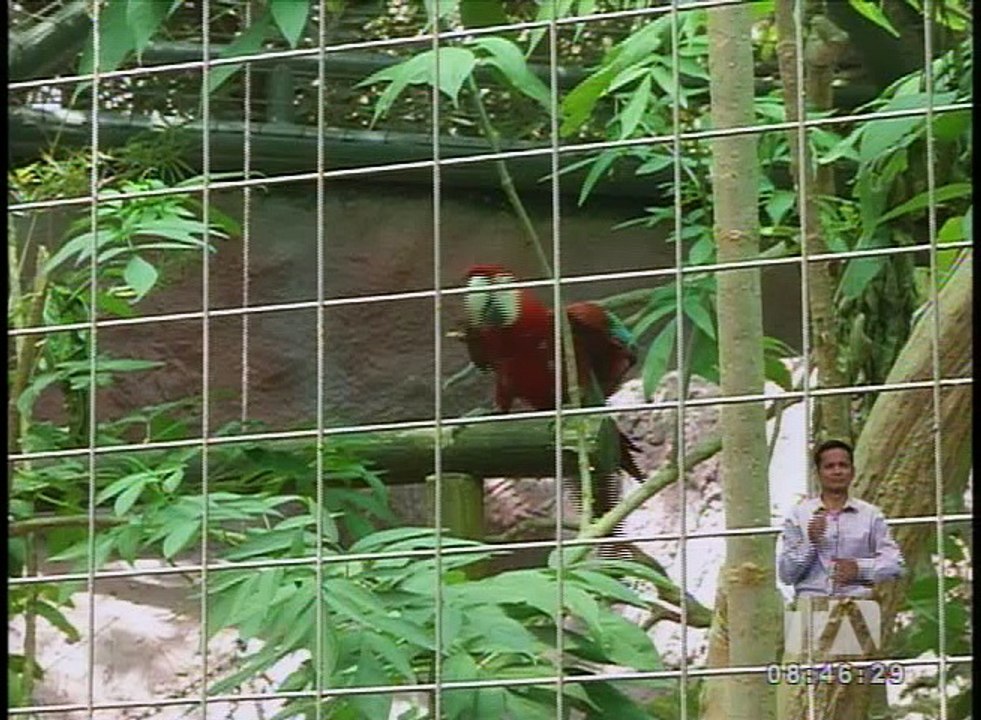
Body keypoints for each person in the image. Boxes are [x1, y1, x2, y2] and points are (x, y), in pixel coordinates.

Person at [778, 439, 905, 598]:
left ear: (853, 472)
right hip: (810, 608)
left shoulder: (871, 515)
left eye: (843, 465)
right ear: (818, 473)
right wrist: (810, 543)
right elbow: (786, 575)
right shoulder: (799, 515)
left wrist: (860, 570)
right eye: (829, 466)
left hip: (858, 606)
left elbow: (895, 565)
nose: (837, 471)